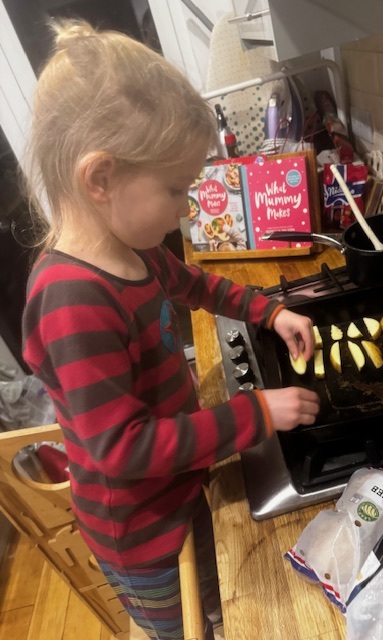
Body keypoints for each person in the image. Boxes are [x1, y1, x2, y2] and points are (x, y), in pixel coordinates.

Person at [21, 18, 320, 640]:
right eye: (175, 189)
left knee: (212, 600)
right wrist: (256, 412)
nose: (186, 209)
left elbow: (198, 286)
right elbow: (124, 448)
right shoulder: (72, 302)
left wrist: (271, 311)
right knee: (188, 626)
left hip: (180, 486)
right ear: (100, 179)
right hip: (143, 535)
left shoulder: (131, 248)